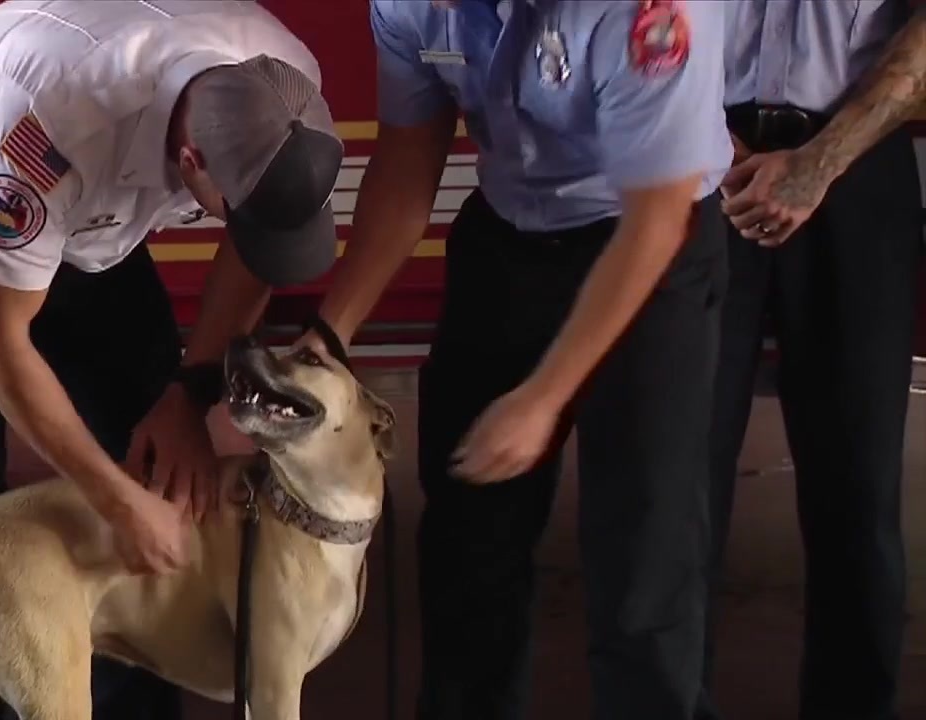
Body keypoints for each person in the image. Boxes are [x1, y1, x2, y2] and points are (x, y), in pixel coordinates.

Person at [0, 1, 342, 718]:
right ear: (191, 162)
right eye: (233, 207)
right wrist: (115, 500)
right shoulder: (50, 124)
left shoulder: (287, 83)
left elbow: (260, 239)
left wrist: (191, 390)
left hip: (93, 227)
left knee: (155, 463)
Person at [298, 0, 731, 717]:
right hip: (509, 234)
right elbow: (407, 161)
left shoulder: (640, 13)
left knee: (644, 554)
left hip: (647, 251)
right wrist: (329, 334)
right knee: (467, 541)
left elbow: (657, 221)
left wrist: (542, 399)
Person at [700, 4, 926, 719]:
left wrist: (822, 161)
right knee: (675, 485)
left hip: (860, 161)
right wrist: (703, 143)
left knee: (857, 488)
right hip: (694, 163)